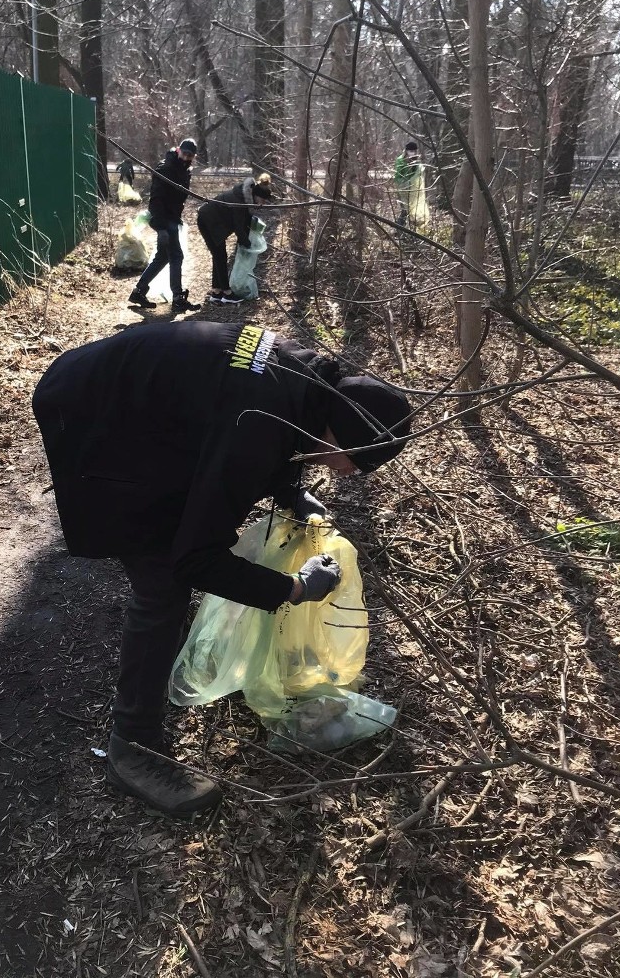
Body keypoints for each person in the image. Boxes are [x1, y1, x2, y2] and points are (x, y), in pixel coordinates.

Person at [32, 320, 413, 817]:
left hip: (129, 391)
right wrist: (293, 589)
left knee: (177, 538)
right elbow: (197, 559)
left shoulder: (308, 379)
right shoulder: (257, 426)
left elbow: (263, 424)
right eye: (354, 461)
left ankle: (143, 710)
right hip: (90, 408)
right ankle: (133, 750)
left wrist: (291, 491)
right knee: (163, 581)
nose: (347, 473)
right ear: (343, 433)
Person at [128, 139, 200, 314]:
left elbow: (177, 198)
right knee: (176, 256)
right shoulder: (166, 168)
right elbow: (156, 200)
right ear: (178, 150)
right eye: (184, 153)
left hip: (172, 219)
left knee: (163, 257)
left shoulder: (184, 170)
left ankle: (139, 292)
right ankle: (177, 298)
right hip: (164, 220)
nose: (186, 157)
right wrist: (161, 228)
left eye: (190, 155)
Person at [196, 174, 273, 303]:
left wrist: (249, 235)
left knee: (218, 255)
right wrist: (246, 244)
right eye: (263, 200)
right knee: (220, 256)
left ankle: (216, 291)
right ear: (256, 196)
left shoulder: (245, 199)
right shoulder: (239, 201)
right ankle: (227, 293)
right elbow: (238, 226)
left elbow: (245, 222)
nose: (263, 204)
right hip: (208, 221)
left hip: (213, 222)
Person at [394, 140, 424, 227]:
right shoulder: (401, 161)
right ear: (406, 151)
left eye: (414, 151)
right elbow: (397, 176)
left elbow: (417, 174)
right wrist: (404, 183)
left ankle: (407, 230)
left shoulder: (416, 161)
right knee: (405, 210)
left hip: (413, 189)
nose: (413, 153)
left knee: (412, 210)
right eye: (411, 151)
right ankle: (399, 228)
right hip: (403, 189)